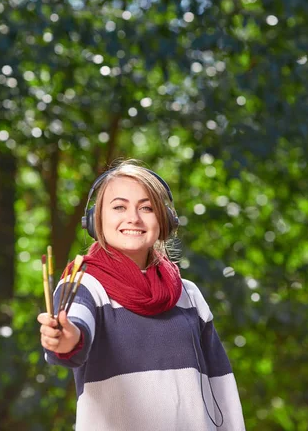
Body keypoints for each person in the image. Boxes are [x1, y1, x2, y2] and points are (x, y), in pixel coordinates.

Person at [38, 161, 246, 431]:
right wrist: (65, 339)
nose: (133, 218)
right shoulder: (81, 285)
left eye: (146, 208)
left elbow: (222, 387)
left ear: (165, 221)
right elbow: (73, 330)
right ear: (95, 220)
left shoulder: (189, 295)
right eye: (119, 207)